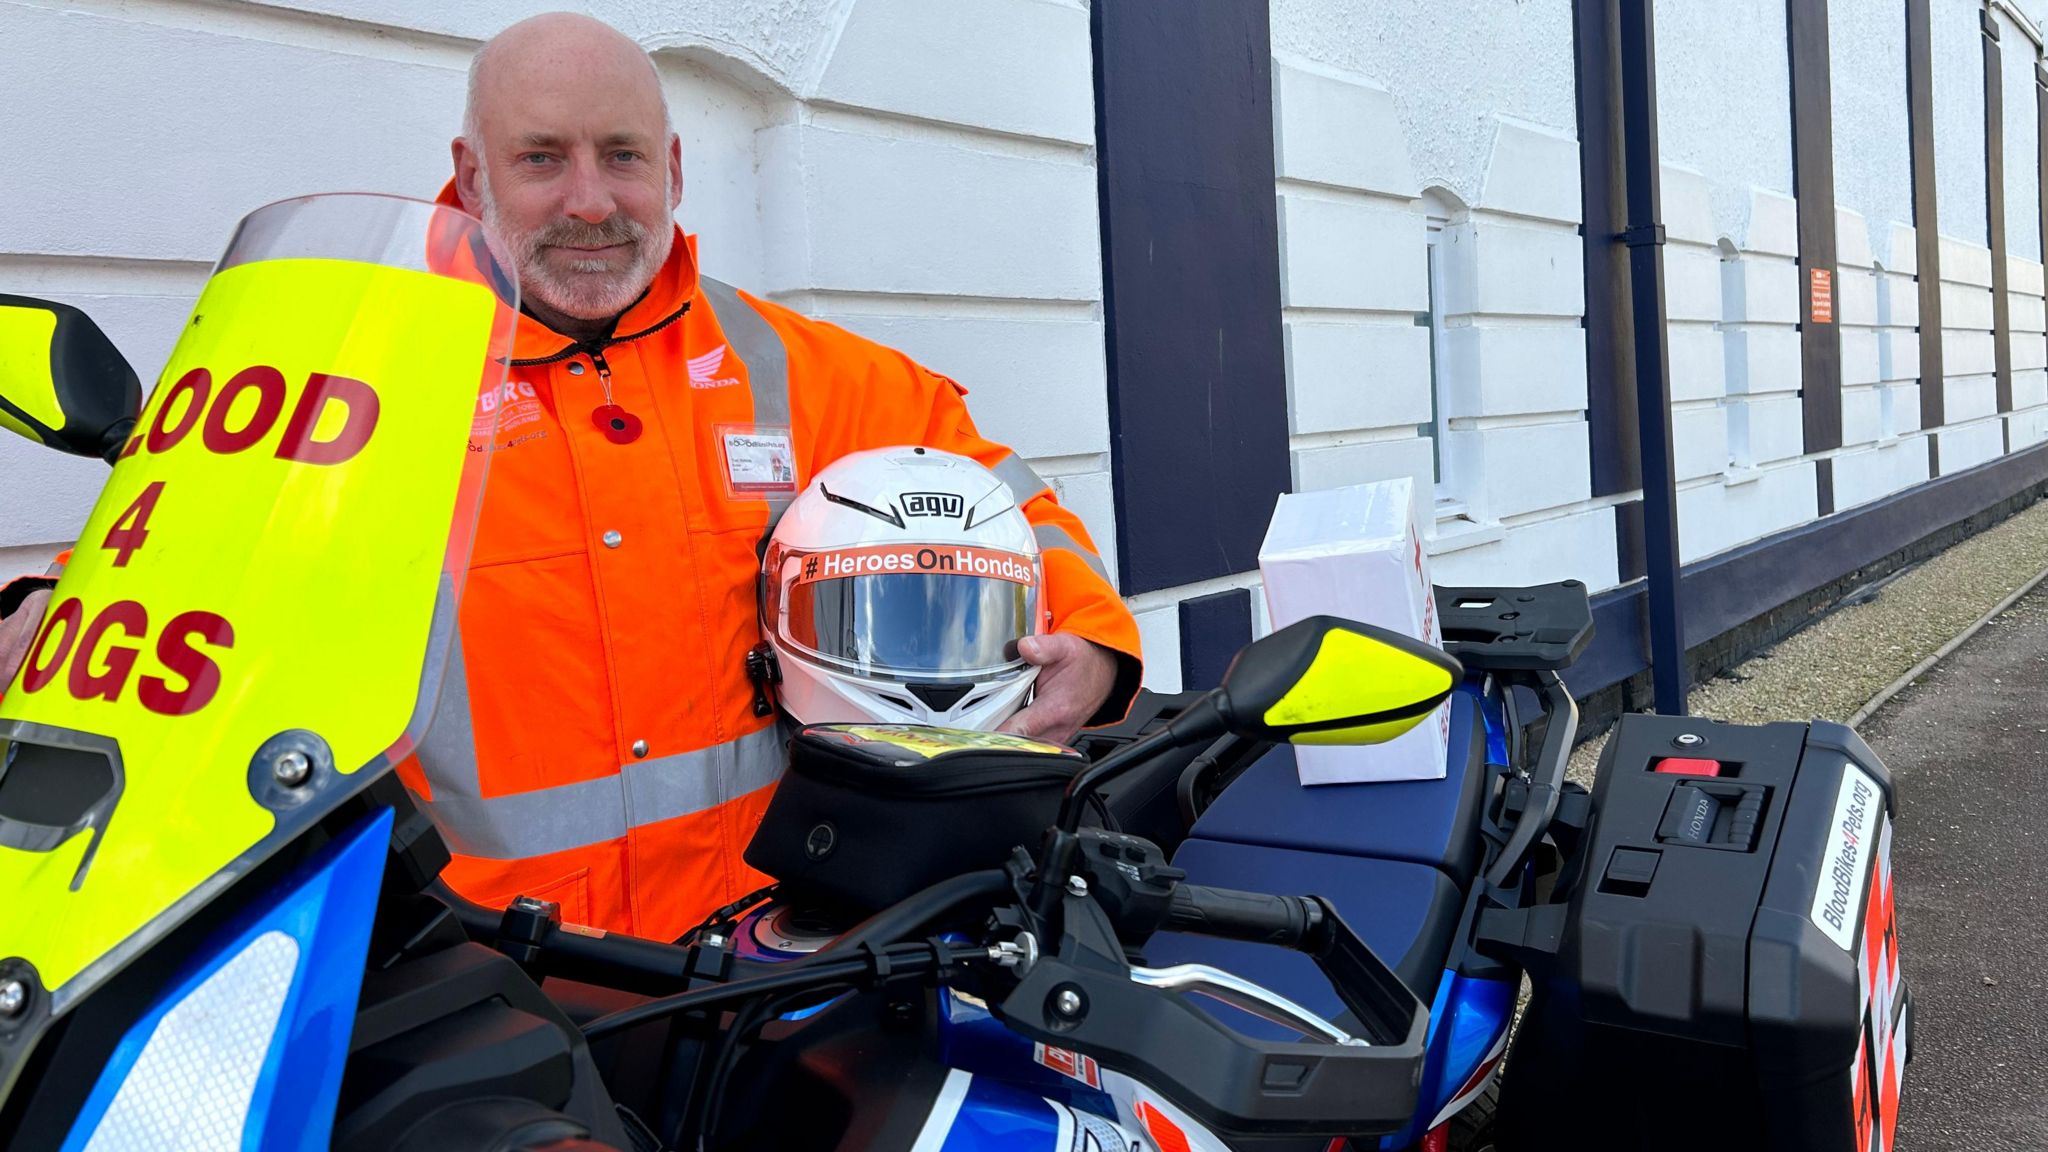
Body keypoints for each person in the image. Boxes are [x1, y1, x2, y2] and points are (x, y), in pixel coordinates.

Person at [0, 12, 1141, 940]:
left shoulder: (791, 370)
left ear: (675, 169)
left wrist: (1090, 637)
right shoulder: (350, 384)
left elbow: (1000, 488)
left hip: (759, 957)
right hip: (464, 980)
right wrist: (47, 618)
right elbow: (171, 552)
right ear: (470, 170)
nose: (590, 202)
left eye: (623, 156)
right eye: (542, 158)